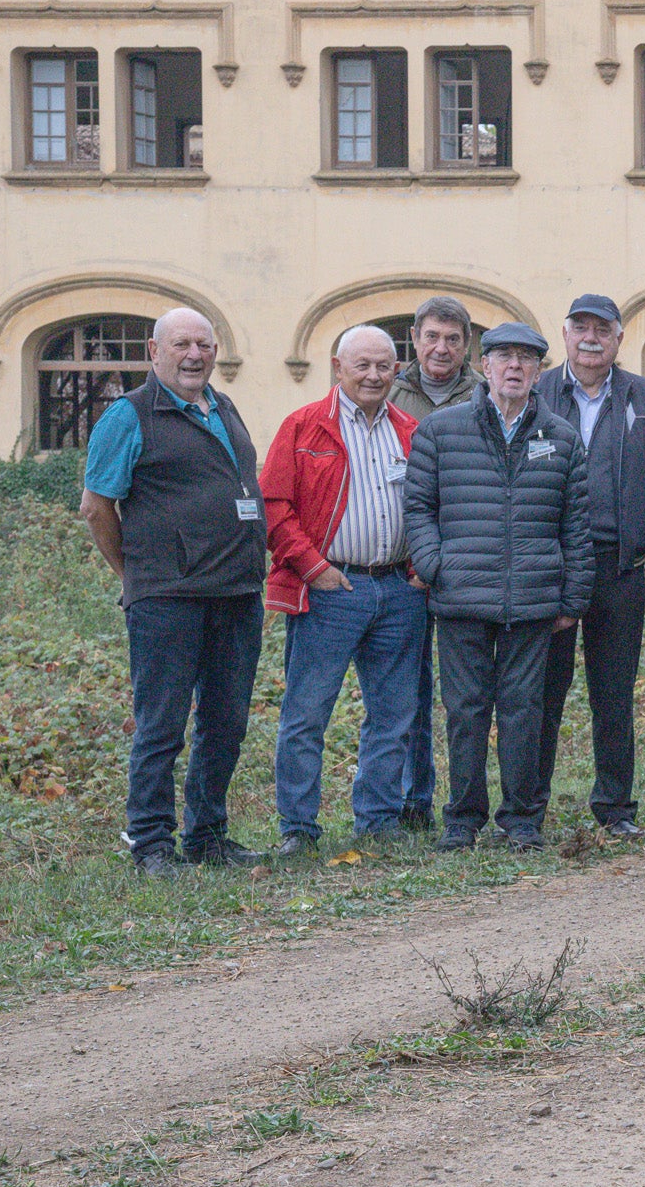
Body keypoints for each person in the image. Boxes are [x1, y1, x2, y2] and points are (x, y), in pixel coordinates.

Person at [79, 308, 267, 876]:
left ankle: (207, 836)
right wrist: (136, 574)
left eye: (204, 344)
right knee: (161, 724)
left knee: (226, 720)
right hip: (167, 598)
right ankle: (151, 843)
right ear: (154, 353)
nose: (194, 354)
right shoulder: (128, 414)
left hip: (236, 592)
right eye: (181, 344)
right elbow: (96, 508)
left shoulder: (224, 406)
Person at [404, 322, 591, 852]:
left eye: (526, 360)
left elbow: (574, 526)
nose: (514, 367)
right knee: (464, 711)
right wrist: (435, 563)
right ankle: (462, 818)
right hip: (462, 597)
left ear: (538, 371)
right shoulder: (441, 430)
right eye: (504, 357)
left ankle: (521, 818)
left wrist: (573, 597)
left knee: (524, 711)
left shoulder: (560, 437)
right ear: (484, 367)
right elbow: (418, 507)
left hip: (533, 599)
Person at [261, 325, 425, 855]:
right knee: (307, 713)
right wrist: (313, 567)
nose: (374, 375)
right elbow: (274, 507)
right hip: (331, 588)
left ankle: (377, 822)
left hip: (400, 589)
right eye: (363, 365)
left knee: (394, 715)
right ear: (338, 366)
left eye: (384, 366)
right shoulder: (304, 427)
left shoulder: (411, 431)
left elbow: (432, 503)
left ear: (397, 370)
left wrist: (424, 562)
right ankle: (299, 830)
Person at [531, 294, 645, 839]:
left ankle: (615, 808)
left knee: (614, 693)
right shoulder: (539, 391)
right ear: (564, 334)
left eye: (603, 330)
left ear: (619, 338)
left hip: (619, 565)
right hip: (551, 564)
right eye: (580, 328)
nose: (591, 338)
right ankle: (529, 807)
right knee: (542, 691)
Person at [389, 294, 479, 834]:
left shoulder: (485, 393)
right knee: (408, 689)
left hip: (470, 563)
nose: (440, 348)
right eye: (431, 337)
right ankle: (413, 798)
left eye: (452, 338)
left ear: (467, 346)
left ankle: (466, 799)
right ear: (416, 341)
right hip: (405, 566)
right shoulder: (387, 391)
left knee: (466, 693)